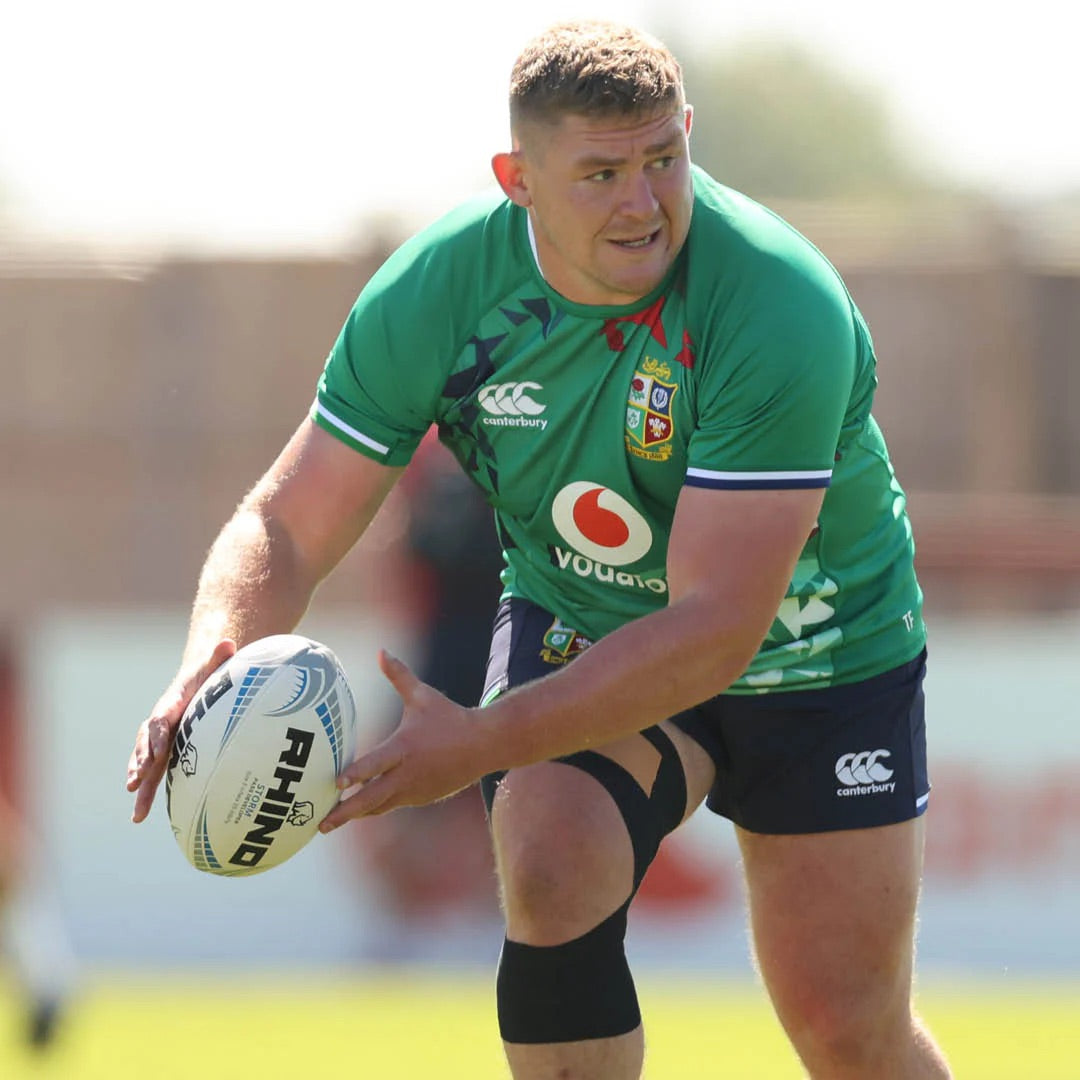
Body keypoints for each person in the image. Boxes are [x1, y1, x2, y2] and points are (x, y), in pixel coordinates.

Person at [127, 20, 951, 1078]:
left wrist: (476, 742)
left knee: (847, 1028)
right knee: (553, 864)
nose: (642, 202)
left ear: (691, 136)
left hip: (824, 650)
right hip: (583, 617)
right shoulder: (438, 292)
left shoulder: (774, 300)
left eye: (663, 160)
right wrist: (213, 650)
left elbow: (714, 627)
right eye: (601, 172)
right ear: (517, 178)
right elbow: (288, 521)